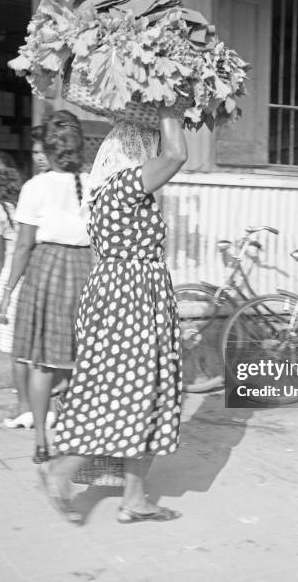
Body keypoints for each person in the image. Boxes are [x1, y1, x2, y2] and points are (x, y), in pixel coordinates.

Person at [39, 106, 187, 525]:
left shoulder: (102, 189)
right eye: (148, 150)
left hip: (122, 297)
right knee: (124, 395)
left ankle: (135, 498)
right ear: (135, 151)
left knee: (146, 394)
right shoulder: (125, 184)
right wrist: (170, 110)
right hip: (132, 302)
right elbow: (177, 155)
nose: (154, 158)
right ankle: (60, 471)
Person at [0, 110, 93, 463]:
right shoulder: (94, 183)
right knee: (80, 361)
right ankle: (74, 433)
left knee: (41, 364)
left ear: (49, 150)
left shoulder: (35, 187)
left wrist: (7, 291)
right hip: (85, 270)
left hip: (46, 271)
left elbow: (23, 246)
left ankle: (41, 440)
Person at [0, 150, 44, 429]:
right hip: (32, 274)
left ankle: (24, 408)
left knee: (16, 351)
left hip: (11, 275)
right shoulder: (22, 206)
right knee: (32, 348)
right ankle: (39, 405)